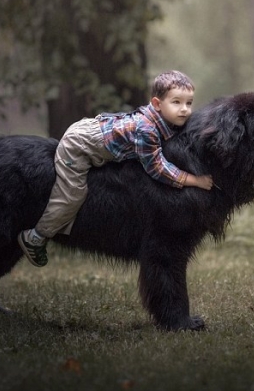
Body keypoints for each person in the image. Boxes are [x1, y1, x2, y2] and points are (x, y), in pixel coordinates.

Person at [18, 70, 214, 267]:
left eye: (189, 103)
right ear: (156, 104)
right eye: (177, 102)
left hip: (94, 131)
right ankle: (36, 237)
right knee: (71, 195)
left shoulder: (160, 121)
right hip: (78, 146)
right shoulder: (146, 130)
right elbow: (158, 169)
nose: (185, 110)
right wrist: (195, 180)